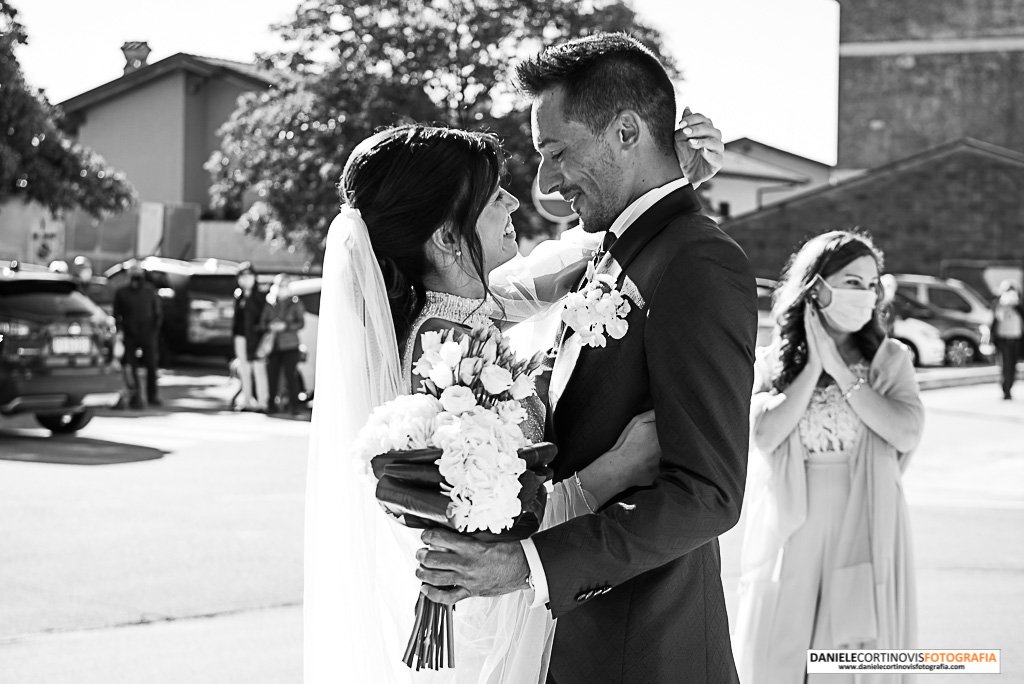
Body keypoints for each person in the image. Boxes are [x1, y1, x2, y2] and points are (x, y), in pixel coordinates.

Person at [307, 111, 724, 681]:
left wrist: (663, 177)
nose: (512, 203)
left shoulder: (464, 309)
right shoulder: (440, 352)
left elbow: (574, 261)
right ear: (448, 238)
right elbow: (494, 519)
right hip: (496, 614)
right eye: (491, 195)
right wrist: (619, 467)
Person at [412, 34, 755, 683]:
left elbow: (707, 494)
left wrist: (526, 563)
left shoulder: (696, 262)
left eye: (555, 152)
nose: (543, 182)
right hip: (580, 649)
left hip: (650, 653)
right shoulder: (613, 249)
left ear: (626, 132)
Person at [732, 230, 925, 683]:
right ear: (816, 285)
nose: (867, 294)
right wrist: (814, 367)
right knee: (782, 650)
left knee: (851, 653)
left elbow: (905, 431)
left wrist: (840, 370)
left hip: (868, 520)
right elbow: (763, 435)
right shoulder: (773, 361)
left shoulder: (889, 359)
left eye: (873, 284)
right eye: (853, 282)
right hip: (792, 525)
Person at [113, 262, 163, 408]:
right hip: (129, 334)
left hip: (148, 334)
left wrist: (154, 331)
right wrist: (121, 331)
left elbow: (157, 313)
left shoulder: (149, 290)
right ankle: (135, 397)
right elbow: (117, 315)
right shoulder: (122, 292)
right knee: (130, 367)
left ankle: (152, 396)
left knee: (151, 366)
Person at [260, 273, 305, 415]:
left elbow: (300, 323)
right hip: (274, 345)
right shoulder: (270, 302)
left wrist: (285, 326)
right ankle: (271, 405)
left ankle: (294, 406)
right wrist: (271, 326)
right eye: (280, 285)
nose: (282, 288)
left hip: (290, 345)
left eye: (285, 285)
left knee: (291, 376)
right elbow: (263, 322)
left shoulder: (295, 302)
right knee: (272, 375)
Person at [231, 262, 270, 411]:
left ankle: (263, 402)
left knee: (259, 369)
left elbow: (263, 319)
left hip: (256, 337)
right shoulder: (238, 295)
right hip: (241, 337)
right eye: (242, 277)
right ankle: (247, 400)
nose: (246, 280)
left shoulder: (260, 296)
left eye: (249, 276)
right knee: (244, 369)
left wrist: (260, 334)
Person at [991, 280, 1023, 400]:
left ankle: (1009, 387)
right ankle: (1006, 389)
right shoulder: (998, 304)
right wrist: (1003, 304)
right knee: (1006, 365)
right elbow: (995, 319)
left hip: (1016, 339)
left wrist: (1016, 305)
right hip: (1003, 339)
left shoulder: (1019, 306)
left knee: (1013, 366)